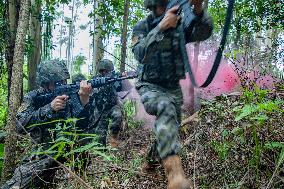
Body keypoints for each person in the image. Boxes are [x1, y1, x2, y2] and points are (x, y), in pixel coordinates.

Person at [132, 0, 213, 188]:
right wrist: (161, 27)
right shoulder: (142, 26)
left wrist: (198, 9)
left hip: (173, 87)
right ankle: (175, 175)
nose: (163, 8)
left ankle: (150, 162)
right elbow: (140, 54)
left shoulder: (181, 24)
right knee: (164, 107)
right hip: (149, 85)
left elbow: (203, 33)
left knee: (170, 128)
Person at [1, 59, 93, 189]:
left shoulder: (70, 95)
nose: (62, 85)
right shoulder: (33, 97)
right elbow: (19, 125)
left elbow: (83, 126)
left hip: (68, 149)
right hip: (42, 153)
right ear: (45, 83)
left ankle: (77, 179)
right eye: (57, 83)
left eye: (64, 81)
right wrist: (49, 108)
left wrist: (84, 100)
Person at [89, 59, 124, 147]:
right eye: (103, 71)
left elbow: (119, 87)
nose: (105, 72)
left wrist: (120, 78)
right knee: (100, 137)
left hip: (112, 106)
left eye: (107, 71)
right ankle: (101, 150)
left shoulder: (114, 78)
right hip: (100, 110)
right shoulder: (94, 80)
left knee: (118, 115)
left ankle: (113, 138)